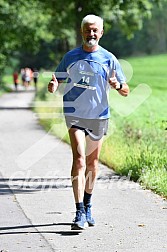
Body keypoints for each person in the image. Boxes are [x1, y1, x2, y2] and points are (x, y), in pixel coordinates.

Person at [48, 14, 130, 230]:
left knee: (93, 164)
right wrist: (54, 85)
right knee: (80, 160)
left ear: (101, 33)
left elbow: (126, 91)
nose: (91, 34)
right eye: (87, 30)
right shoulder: (71, 56)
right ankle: (78, 212)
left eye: (95, 30)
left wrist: (118, 85)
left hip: (99, 116)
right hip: (75, 114)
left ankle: (88, 204)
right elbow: (57, 77)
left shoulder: (109, 59)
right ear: (81, 32)